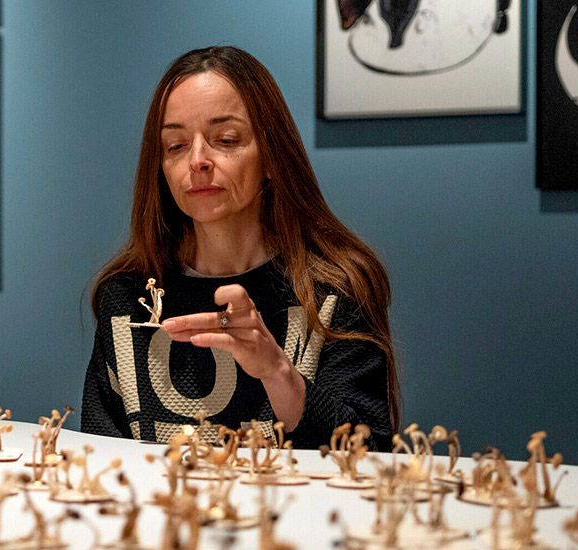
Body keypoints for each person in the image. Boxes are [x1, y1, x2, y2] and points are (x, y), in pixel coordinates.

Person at [81, 46, 398, 449]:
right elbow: (99, 456)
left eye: (225, 139)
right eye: (175, 146)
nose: (197, 160)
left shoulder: (337, 287)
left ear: (271, 156)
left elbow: (371, 455)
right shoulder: (127, 296)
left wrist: (278, 372)